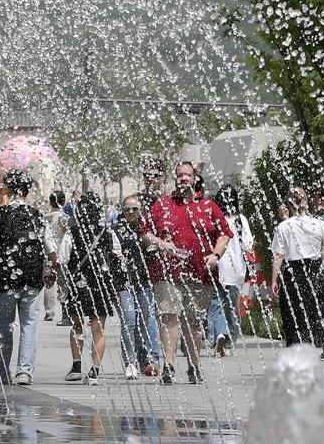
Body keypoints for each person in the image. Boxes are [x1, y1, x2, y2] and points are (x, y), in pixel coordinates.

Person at [144, 160, 232, 384]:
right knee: (169, 317)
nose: (183, 178)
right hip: (168, 273)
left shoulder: (208, 206)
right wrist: (162, 244)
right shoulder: (163, 204)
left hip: (200, 273)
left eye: (187, 175)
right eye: (180, 175)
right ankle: (169, 366)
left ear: (195, 178)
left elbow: (224, 234)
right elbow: (145, 233)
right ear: (175, 178)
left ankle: (194, 365)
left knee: (192, 322)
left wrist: (215, 255)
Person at [0, 170, 58, 386]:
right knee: (29, 324)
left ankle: (2, 370)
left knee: (3, 326)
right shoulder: (38, 215)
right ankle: (24, 372)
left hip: (5, 279)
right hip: (32, 279)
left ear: (9, 189)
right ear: (27, 190)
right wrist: (50, 271)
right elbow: (52, 250)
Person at [59, 195, 125, 384]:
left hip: (78, 285)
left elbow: (63, 259)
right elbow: (118, 257)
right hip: (101, 285)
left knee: (77, 326)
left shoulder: (72, 233)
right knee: (98, 329)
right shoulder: (107, 232)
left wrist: (63, 283)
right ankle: (94, 372)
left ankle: (76, 366)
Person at [270, 189, 324, 352]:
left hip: (293, 274)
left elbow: (279, 256)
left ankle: (297, 351)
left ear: (289, 204)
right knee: (320, 310)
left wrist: (274, 280)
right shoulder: (318, 224)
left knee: (294, 314)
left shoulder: (284, 226)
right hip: (315, 272)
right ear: (305, 202)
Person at [113, 194, 160, 379]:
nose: (131, 212)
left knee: (147, 320)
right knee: (129, 321)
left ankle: (151, 360)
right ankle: (130, 362)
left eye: (135, 209)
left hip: (145, 281)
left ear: (141, 210)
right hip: (124, 283)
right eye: (127, 209)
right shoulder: (115, 230)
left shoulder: (147, 229)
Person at [210, 184, 254, 355]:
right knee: (233, 307)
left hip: (218, 266)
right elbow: (248, 244)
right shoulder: (241, 219)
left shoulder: (216, 218)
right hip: (236, 270)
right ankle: (230, 343)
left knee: (216, 305)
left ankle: (219, 335)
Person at [43, 191, 69, 322]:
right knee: (64, 284)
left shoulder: (44, 218)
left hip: (48, 255)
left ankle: (49, 312)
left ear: (50, 202)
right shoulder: (65, 218)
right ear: (63, 202)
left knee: (49, 283)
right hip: (63, 255)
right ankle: (65, 312)